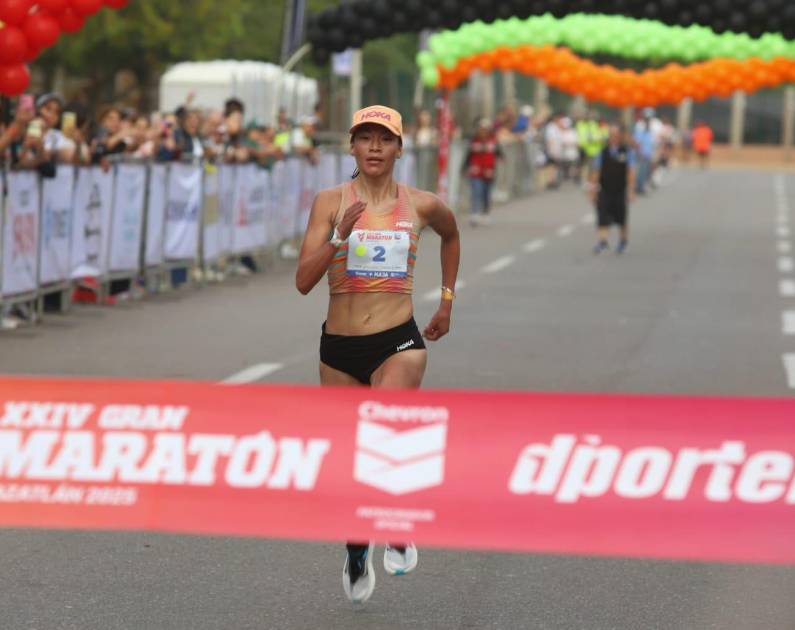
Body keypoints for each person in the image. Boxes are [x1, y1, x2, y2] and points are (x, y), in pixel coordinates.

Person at [295, 105, 460, 605]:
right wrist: (338, 237)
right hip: (339, 347)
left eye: (384, 139)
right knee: (350, 461)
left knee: (386, 435)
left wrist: (446, 301)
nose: (374, 147)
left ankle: (397, 523)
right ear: (351, 146)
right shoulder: (330, 202)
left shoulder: (422, 205)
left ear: (399, 149)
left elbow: (451, 235)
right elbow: (303, 281)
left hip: (398, 341)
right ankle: (355, 547)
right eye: (365, 138)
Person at [590, 123, 636, 255]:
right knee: (602, 215)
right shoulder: (602, 152)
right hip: (605, 188)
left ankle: (623, 241)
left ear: (621, 136)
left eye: (616, 135)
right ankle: (602, 241)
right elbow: (596, 171)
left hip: (620, 189)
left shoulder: (626, 152)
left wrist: (631, 190)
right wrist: (593, 189)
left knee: (621, 216)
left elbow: (630, 171)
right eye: (611, 135)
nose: (613, 138)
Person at [465, 117, 501, 226]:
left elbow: (499, 154)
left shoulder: (493, 140)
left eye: (485, 129)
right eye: (481, 129)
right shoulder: (473, 140)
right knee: (476, 191)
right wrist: (465, 167)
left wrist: (495, 167)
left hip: (488, 171)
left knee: (486, 193)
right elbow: (468, 155)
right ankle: (475, 213)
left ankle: (485, 212)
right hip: (476, 171)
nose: (483, 131)